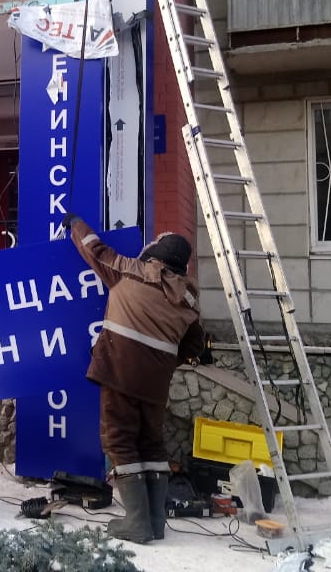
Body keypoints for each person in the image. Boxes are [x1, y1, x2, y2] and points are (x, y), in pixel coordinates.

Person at [61, 212, 205, 543]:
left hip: (120, 371)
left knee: (120, 441)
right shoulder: (188, 301)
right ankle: (155, 522)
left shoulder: (131, 272)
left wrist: (75, 224)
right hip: (156, 383)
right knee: (151, 444)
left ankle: (137, 522)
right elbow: (195, 345)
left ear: (156, 255)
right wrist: (164, 360)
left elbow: (95, 251)